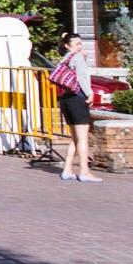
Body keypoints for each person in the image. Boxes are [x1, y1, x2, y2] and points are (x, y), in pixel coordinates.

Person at [50, 35, 100, 182]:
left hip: (66, 99)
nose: (80, 46)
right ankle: (84, 171)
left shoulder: (64, 59)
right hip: (78, 98)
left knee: (75, 137)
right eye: (77, 44)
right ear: (67, 45)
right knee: (83, 137)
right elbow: (82, 77)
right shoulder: (77, 57)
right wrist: (90, 94)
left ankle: (67, 169)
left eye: (80, 44)